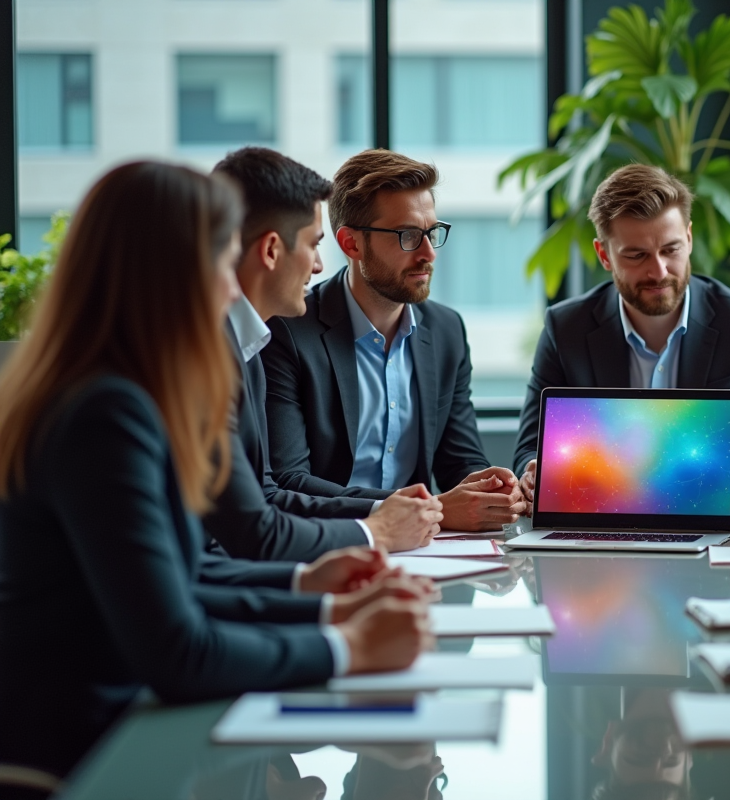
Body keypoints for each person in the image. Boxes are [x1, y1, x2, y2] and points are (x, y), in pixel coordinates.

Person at [0, 161, 433, 781]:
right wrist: (349, 647)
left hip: (116, 732)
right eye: (221, 264)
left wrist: (315, 601)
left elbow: (179, 575)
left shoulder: (121, 392)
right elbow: (177, 650)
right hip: (79, 760)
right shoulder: (104, 413)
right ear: (166, 276)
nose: (234, 289)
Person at [513, 164, 730, 525]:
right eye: (636, 255)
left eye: (671, 249)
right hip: (599, 531)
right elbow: (530, 447)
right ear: (604, 255)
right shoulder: (565, 327)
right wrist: (535, 473)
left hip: (714, 531)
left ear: (690, 238)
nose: (659, 271)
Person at [261, 149, 525, 532]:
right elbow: (289, 482)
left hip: (422, 549)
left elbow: (459, 460)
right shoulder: (288, 331)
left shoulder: (447, 330)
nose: (428, 253)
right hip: (330, 544)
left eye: (432, 232)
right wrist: (431, 508)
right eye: (408, 236)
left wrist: (491, 489)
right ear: (351, 244)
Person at [207, 146, 441, 560]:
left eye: (432, 232)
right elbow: (253, 524)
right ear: (272, 250)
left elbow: (260, 502)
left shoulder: (246, 344)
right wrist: (378, 529)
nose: (318, 266)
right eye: (314, 245)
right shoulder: (222, 352)